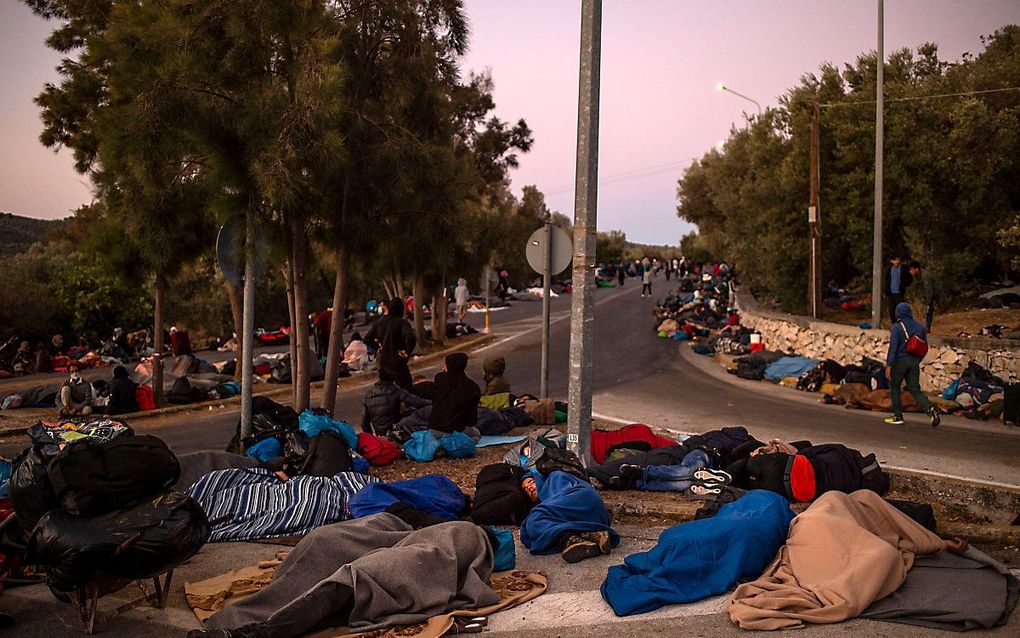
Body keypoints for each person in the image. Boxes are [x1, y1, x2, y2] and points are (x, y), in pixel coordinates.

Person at [884, 302, 938, 427]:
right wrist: (917, 360)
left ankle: (897, 415)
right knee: (914, 389)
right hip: (914, 361)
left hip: (900, 361)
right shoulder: (919, 326)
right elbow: (924, 345)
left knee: (895, 387)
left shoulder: (897, 327)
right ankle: (930, 409)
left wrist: (889, 365)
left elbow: (893, 348)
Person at [364, 298, 417, 390]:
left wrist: (378, 347)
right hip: (397, 360)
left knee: (386, 389)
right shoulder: (401, 322)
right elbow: (411, 337)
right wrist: (407, 352)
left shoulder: (379, 323)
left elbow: (367, 339)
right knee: (406, 389)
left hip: (383, 360)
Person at [361, 370, 431, 437]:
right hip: (395, 430)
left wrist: (371, 437)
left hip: (380, 434)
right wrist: (435, 403)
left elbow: (364, 420)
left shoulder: (368, 394)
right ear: (393, 379)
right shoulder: (394, 390)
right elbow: (417, 402)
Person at [428, 352, 481, 439]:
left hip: (433, 428)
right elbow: (472, 420)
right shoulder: (472, 387)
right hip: (456, 430)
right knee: (476, 434)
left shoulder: (440, 378)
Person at [909, 261, 937, 332]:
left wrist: (928, 302)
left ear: (916, 269)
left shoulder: (925, 276)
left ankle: (927, 328)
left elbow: (929, 290)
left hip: (931, 296)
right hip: (924, 296)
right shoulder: (917, 276)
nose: (910, 272)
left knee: (928, 312)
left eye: (912, 269)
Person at [884, 255, 912, 324]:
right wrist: (886, 291)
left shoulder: (903, 268)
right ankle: (894, 325)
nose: (896, 261)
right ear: (891, 261)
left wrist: (904, 284)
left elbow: (909, 278)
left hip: (899, 293)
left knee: (900, 310)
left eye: (897, 259)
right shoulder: (889, 269)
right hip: (891, 293)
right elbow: (887, 280)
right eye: (894, 260)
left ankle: (901, 324)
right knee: (891, 310)